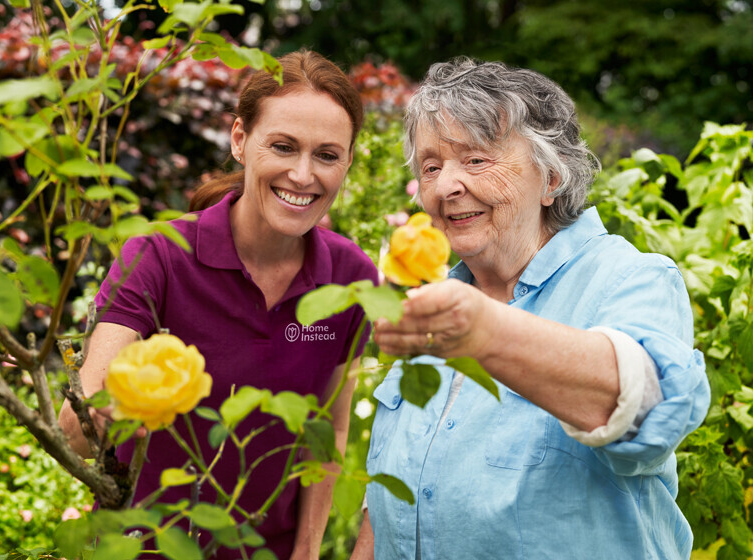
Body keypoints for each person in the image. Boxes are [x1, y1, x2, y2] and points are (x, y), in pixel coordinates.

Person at [351, 58, 709, 560]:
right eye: (431, 167)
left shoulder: (627, 277)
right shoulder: (435, 302)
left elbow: (643, 410)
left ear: (552, 177)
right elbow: (392, 497)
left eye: (476, 160)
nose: (443, 186)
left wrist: (482, 332)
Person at [58, 50, 378, 560]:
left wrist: (307, 550)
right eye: (283, 146)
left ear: (347, 162)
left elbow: (330, 426)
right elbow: (76, 431)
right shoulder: (159, 257)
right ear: (239, 140)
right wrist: (130, 403)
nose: (302, 174)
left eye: (326, 155)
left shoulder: (351, 277)